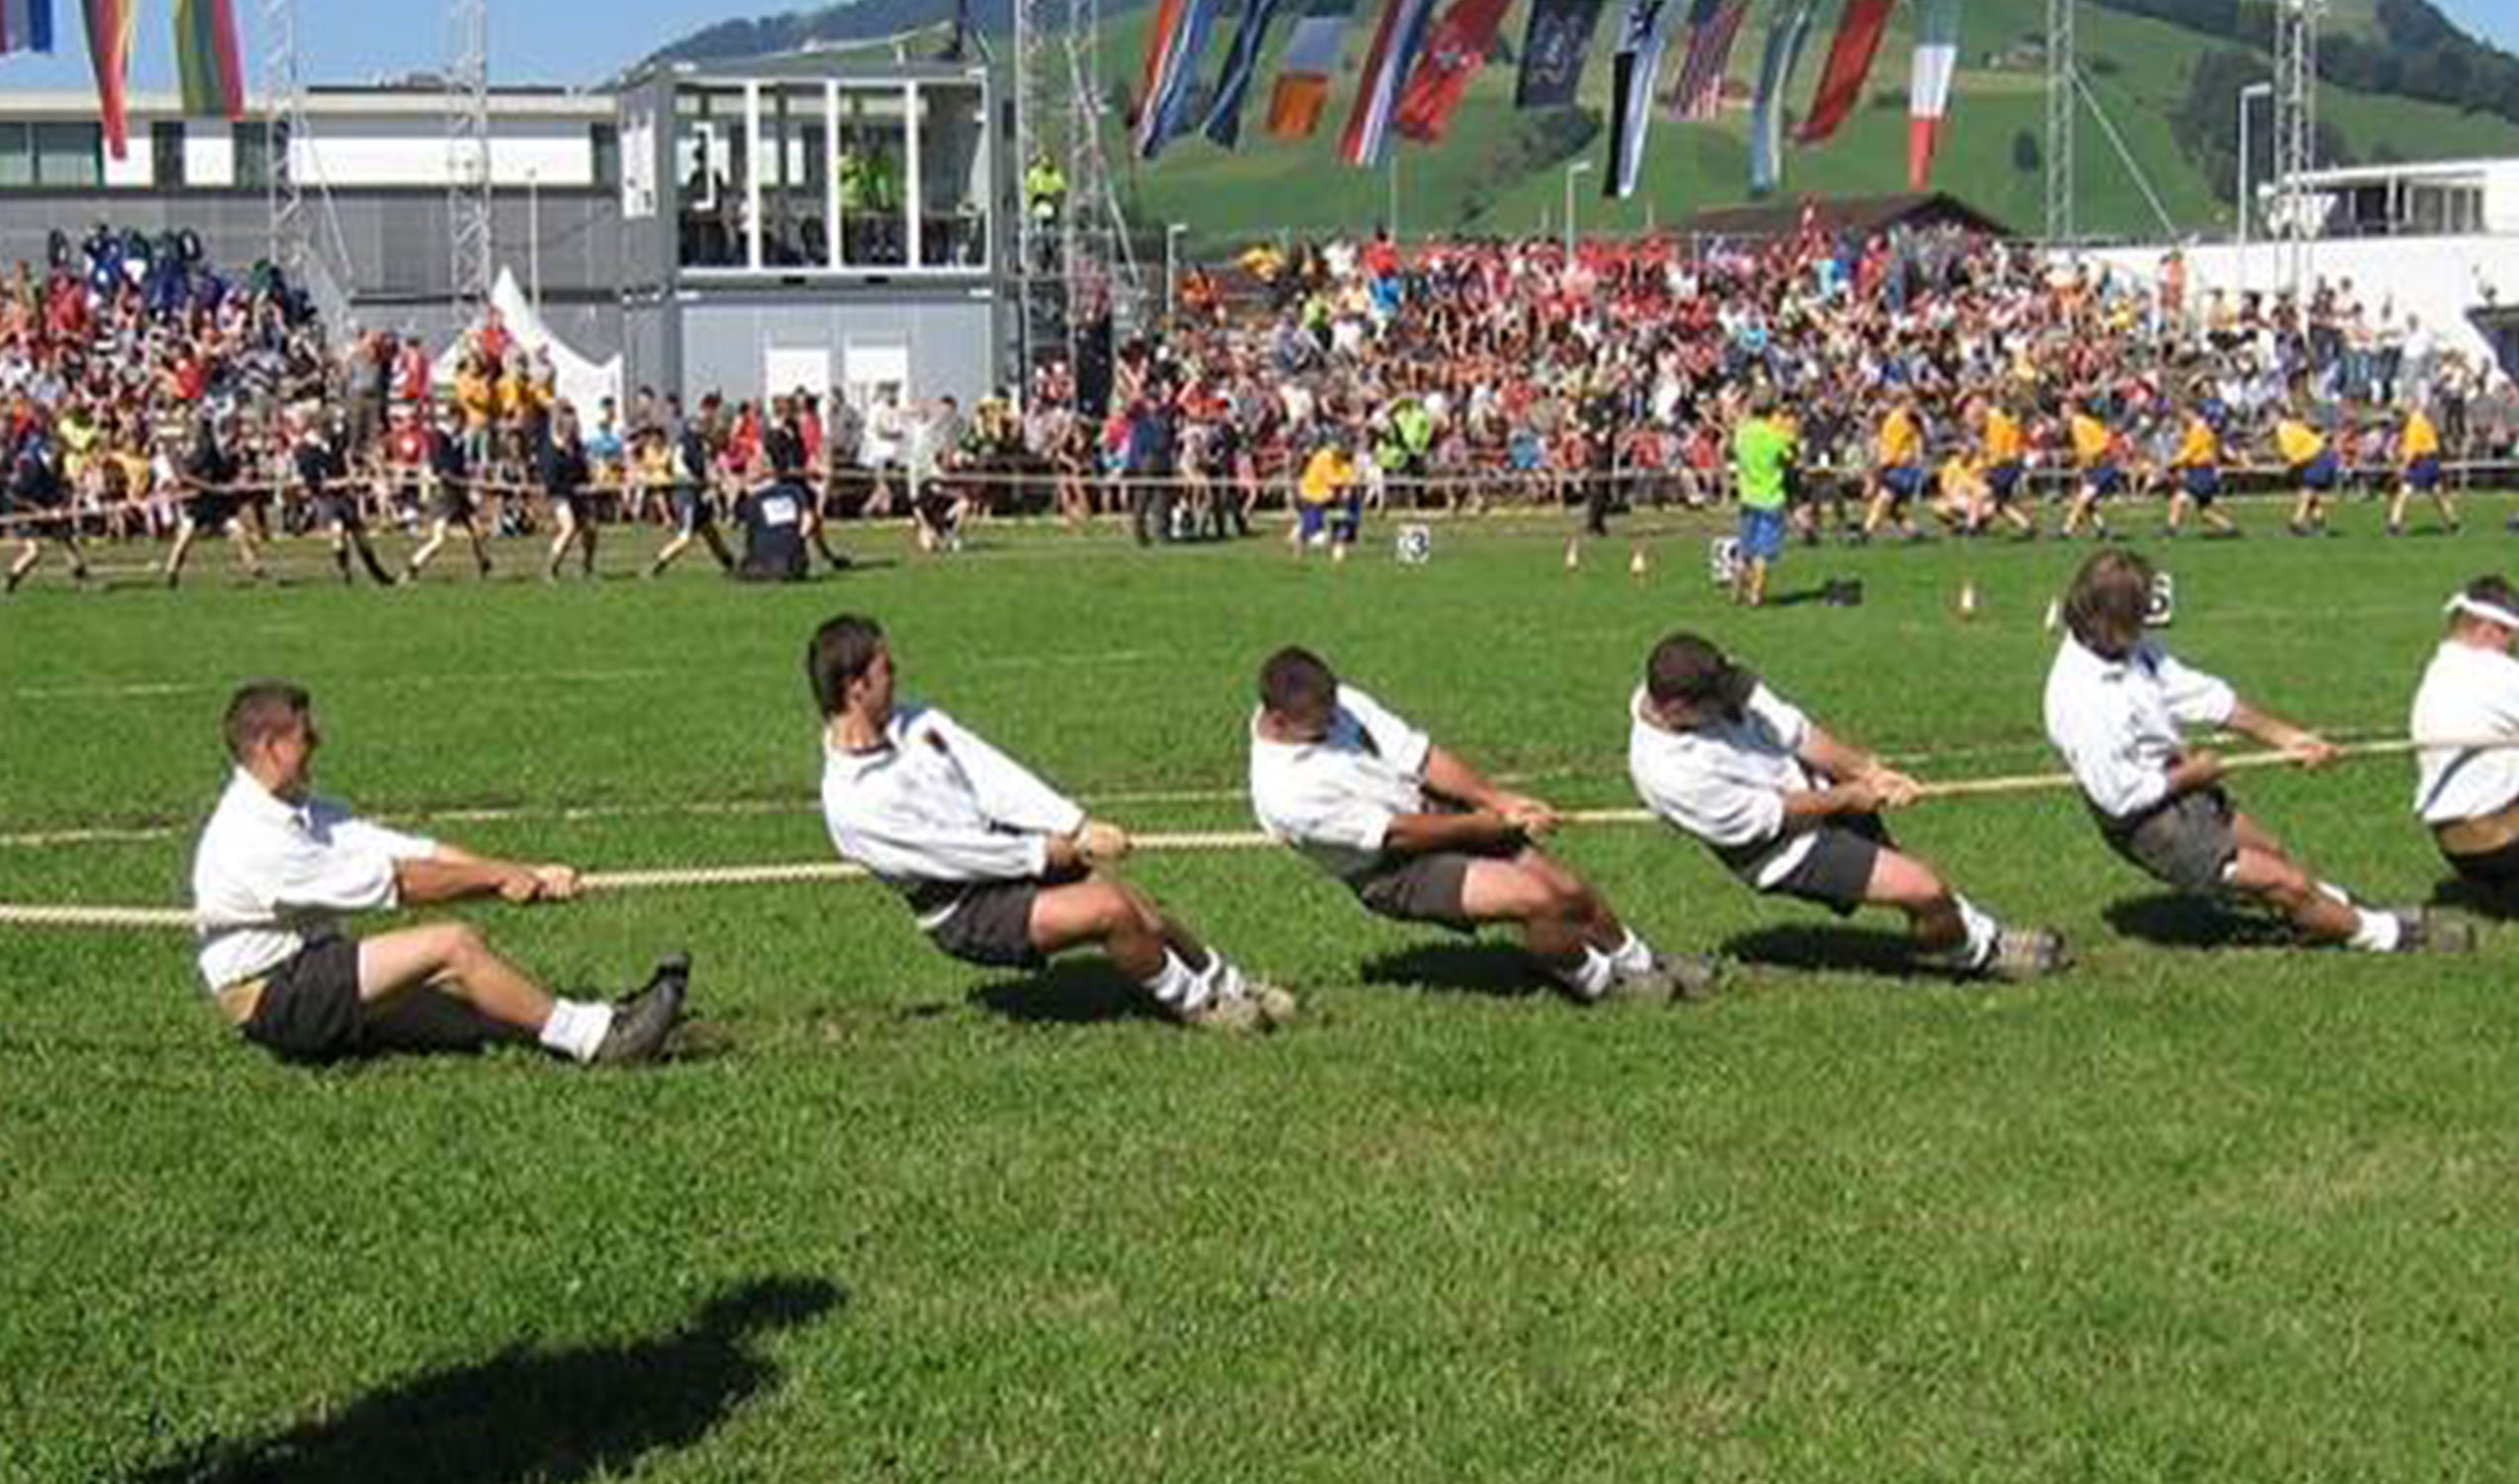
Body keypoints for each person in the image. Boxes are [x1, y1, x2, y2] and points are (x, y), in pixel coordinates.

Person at [810, 615, 1294, 1032]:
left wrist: (1075, 824)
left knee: (1144, 909)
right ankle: (1201, 1007)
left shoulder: (917, 722)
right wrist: (1042, 854)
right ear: (856, 687)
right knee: (1110, 910)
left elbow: (994, 775)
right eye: (886, 669)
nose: (897, 676)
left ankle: (1229, 983)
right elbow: (951, 854)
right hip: (964, 907)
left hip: (1009, 854)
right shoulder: (853, 804)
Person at [189, 681, 688, 1065]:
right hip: (278, 999)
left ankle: (601, 1019)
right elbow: (398, 883)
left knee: (471, 1011)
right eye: (306, 734)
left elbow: (408, 849)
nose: (318, 740)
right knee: (454, 945)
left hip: (315, 970)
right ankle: (603, 1043)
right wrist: (497, 879)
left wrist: (520, 871)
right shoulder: (251, 835)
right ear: (271, 746)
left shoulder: (300, 807)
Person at [2043, 550, 2470, 954]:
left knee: (2273, 854)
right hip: (2151, 824)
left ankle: (2345, 912)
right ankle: (2389, 935)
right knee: (2289, 885)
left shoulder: (2129, 648)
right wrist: (2196, 773)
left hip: (2180, 780)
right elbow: (2120, 798)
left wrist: (2287, 737)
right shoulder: (2080, 698)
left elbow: (2203, 697)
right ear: (2112, 620)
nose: (2149, 625)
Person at [1248, 646, 1715, 1005]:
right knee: (1536, 899)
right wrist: (1482, 826)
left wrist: (1497, 800)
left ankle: (1640, 961)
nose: (1334, 722)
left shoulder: (1336, 701)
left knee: (1568, 888)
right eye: (1320, 722)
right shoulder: (1286, 790)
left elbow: (1419, 756)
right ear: (1279, 719)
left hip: (1432, 810)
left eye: (1333, 711)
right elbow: (1396, 833)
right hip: (1391, 868)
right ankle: (1599, 985)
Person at [1629, 633, 2065, 979]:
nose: (1730, 709)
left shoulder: (1716, 683)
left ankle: (1980, 935)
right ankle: (1975, 954)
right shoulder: (1665, 771)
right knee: (1922, 887)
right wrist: (1850, 796)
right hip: (1781, 850)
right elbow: (1769, 816)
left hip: (1819, 790)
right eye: (1715, 708)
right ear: (1676, 709)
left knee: (1907, 875)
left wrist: (1868, 772)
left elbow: (1798, 734)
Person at [2410, 577, 2519, 900]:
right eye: (2512, 639)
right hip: (2498, 847)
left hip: (2460, 851)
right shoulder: (2497, 674)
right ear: (2488, 630)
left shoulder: (2442, 668)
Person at [161, 412, 268, 589]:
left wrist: (237, 480)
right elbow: (185, 475)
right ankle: (171, 573)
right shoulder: (202, 451)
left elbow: (227, 475)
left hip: (218, 503)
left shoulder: (228, 451)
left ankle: (256, 570)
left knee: (240, 533)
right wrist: (212, 487)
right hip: (200, 502)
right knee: (184, 539)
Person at [295, 411, 396, 587]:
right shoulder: (305, 451)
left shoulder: (336, 443)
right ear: (316, 428)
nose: (330, 430)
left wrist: (357, 474)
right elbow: (315, 485)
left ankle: (378, 573)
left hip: (344, 496)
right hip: (326, 499)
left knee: (361, 537)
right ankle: (345, 573)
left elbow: (348, 460)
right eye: (326, 427)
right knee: (337, 531)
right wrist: (345, 481)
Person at [404, 402, 495, 583]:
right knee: (439, 539)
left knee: (476, 531)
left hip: (459, 493)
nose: (464, 425)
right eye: (462, 421)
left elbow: (460, 467)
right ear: (454, 419)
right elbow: (443, 472)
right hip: (444, 494)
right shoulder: (440, 439)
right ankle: (413, 566)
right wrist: (464, 481)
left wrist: (469, 483)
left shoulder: (459, 440)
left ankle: (484, 564)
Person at [647, 414, 737, 579]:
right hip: (687, 492)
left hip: (693, 490)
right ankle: (658, 563)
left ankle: (730, 564)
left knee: (710, 532)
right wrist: (711, 480)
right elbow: (697, 467)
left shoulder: (689, 441)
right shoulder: (692, 443)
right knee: (686, 536)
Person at [3, 427, 91, 595]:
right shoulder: (32, 468)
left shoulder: (56, 467)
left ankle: (83, 580)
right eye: (62, 450)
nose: (64, 455)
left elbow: (56, 490)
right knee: (34, 552)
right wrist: (41, 511)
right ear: (51, 448)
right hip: (22, 512)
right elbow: (15, 496)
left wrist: (59, 506)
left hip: (44, 509)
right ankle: (10, 581)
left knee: (66, 541)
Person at [1729, 393, 1794, 607]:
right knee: (1762, 552)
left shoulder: (1742, 433)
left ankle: (1737, 588)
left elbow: (1735, 454)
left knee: (1745, 547)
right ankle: (1755, 595)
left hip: (1747, 496)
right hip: (1770, 497)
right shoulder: (1774, 435)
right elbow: (1788, 457)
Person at [2162, 401, 2237, 539]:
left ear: (2191, 412)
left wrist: (2173, 463)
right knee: (2204, 510)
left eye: (2184, 412)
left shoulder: (2198, 429)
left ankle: (2171, 528)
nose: (2182, 415)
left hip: (2200, 470)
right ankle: (2229, 528)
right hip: (2202, 470)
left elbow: (2190, 450)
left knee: (2178, 498)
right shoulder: (2200, 428)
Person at [2385, 398, 2460, 537]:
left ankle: (2394, 526)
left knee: (2404, 493)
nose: (2396, 419)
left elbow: (2412, 451)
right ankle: (2453, 523)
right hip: (2431, 461)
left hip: (2422, 462)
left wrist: (2402, 468)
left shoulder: (2414, 424)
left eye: (2398, 414)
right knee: (2437, 494)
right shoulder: (2417, 421)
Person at [541, 404, 598, 582]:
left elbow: (583, 470)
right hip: (559, 494)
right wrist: (573, 488)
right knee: (569, 527)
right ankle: (551, 568)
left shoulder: (576, 445)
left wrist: (588, 483)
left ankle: (586, 568)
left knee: (591, 529)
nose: (573, 426)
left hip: (578, 493)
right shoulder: (550, 450)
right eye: (569, 422)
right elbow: (551, 482)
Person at [1860, 395, 1927, 543]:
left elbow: (1913, 447)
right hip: (1893, 466)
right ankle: (1914, 532)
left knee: (1884, 498)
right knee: (1893, 508)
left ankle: (1866, 532)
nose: (1915, 406)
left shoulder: (1906, 422)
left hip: (1901, 468)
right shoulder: (1894, 421)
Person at [2058, 397, 2121, 541]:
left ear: (2073, 410)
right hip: (2095, 466)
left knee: (2082, 500)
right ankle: (2102, 529)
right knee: (2087, 504)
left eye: (2064, 410)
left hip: (2101, 466)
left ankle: (2066, 530)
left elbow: (2099, 445)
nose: (2061, 413)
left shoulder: (2079, 424)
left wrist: (2086, 459)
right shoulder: (2080, 423)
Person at [2274, 401, 2341, 537]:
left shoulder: (2284, 429)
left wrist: (2292, 465)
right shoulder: (2291, 426)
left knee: (2307, 492)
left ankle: (2295, 524)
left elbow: (2292, 453)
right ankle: (2319, 524)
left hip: (2318, 457)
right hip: (2319, 456)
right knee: (2311, 494)